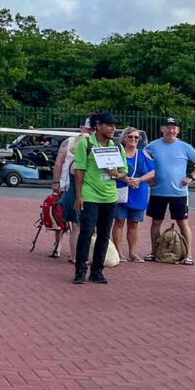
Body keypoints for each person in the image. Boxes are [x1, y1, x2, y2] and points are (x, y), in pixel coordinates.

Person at [71, 111, 127, 285]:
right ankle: (80, 270)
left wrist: (117, 174)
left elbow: (124, 170)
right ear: (98, 125)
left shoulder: (117, 146)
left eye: (114, 125)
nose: (113, 129)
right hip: (90, 194)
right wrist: (78, 196)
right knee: (86, 232)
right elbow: (79, 170)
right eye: (109, 125)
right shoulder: (86, 143)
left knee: (104, 234)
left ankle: (97, 271)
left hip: (109, 196)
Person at [143, 117, 195, 265]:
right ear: (162, 129)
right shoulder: (153, 146)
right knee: (156, 222)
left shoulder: (184, 147)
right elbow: (142, 160)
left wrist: (192, 176)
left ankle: (188, 255)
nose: (171, 130)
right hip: (158, 192)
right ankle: (154, 252)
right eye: (168, 127)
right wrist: (147, 176)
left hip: (179, 192)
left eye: (174, 128)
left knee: (183, 222)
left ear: (178, 130)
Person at [112, 127, 156, 262]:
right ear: (124, 138)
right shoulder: (118, 153)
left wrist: (140, 179)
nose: (133, 140)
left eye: (136, 138)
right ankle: (119, 252)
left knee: (134, 223)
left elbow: (153, 171)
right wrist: (123, 178)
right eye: (130, 137)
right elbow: (110, 170)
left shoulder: (143, 154)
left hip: (138, 190)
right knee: (119, 221)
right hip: (121, 189)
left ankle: (132, 252)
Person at [50, 119, 92, 260]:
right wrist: (56, 182)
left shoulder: (96, 144)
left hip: (82, 189)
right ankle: (58, 246)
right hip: (67, 184)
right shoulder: (70, 141)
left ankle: (75, 253)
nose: (91, 132)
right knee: (62, 218)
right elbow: (59, 162)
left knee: (76, 223)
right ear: (82, 128)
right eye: (89, 129)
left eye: (93, 129)